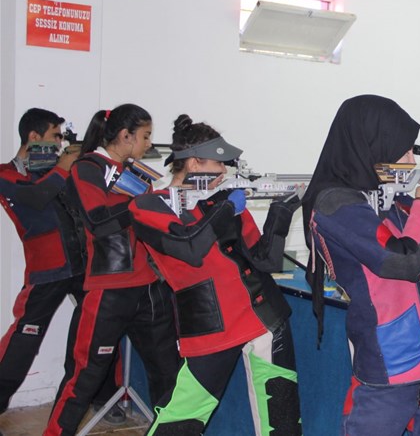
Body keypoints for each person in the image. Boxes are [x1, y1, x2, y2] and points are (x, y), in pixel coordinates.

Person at [302, 95, 420, 436]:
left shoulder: (394, 201)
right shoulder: (334, 204)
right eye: (403, 152)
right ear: (373, 146)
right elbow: (404, 262)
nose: (412, 161)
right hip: (391, 367)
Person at [128, 114, 302, 435]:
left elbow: (265, 261)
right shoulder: (149, 205)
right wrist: (227, 209)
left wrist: (282, 211)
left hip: (265, 315)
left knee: (281, 416)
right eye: (219, 163)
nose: (224, 172)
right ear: (194, 163)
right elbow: (189, 248)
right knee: (182, 418)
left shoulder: (221, 201)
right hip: (211, 324)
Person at [44, 104, 180, 436]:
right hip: (109, 290)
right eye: (145, 136)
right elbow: (99, 223)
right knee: (85, 377)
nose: (149, 143)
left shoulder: (137, 172)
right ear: (125, 135)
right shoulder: (88, 167)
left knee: (170, 376)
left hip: (151, 288)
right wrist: (142, 204)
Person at [0, 108, 124, 425]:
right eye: (55, 136)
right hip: (48, 270)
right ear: (34, 136)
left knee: (99, 332)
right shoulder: (7, 173)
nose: (59, 143)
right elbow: (34, 199)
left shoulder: (61, 170)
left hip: (86, 266)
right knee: (23, 341)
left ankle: (104, 398)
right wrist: (62, 168)